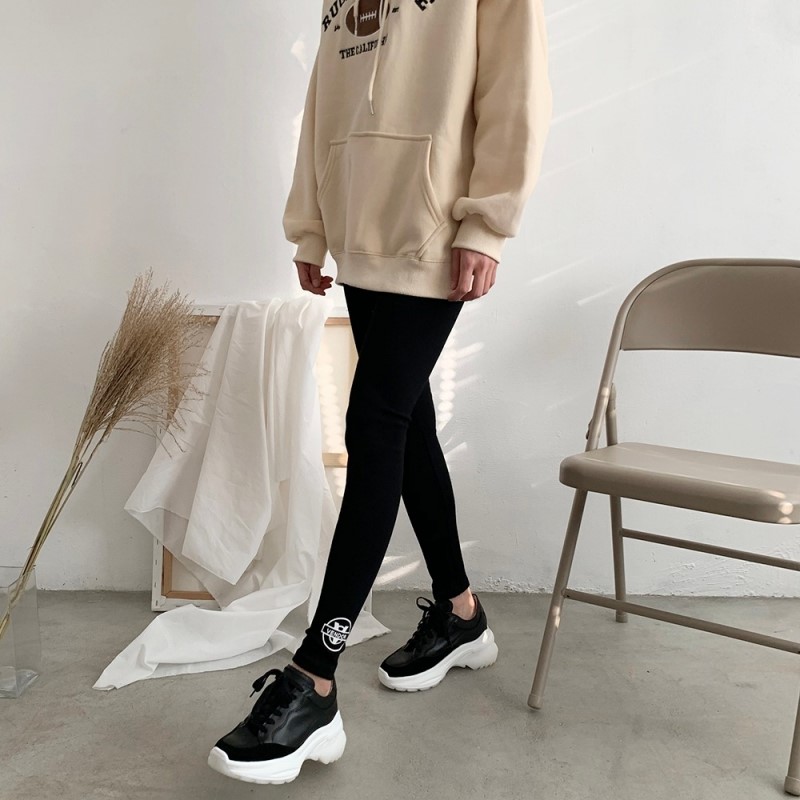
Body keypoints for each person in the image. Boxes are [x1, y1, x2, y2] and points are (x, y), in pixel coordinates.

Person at [207, 0, 552, 784]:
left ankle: (314, 678)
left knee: (375, 421)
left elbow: (515, 88)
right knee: (406, 420)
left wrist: (487, 223)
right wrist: (312, 223)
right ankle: (461, 614)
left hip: (436, 227)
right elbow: (323, 94)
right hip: (360, 223)